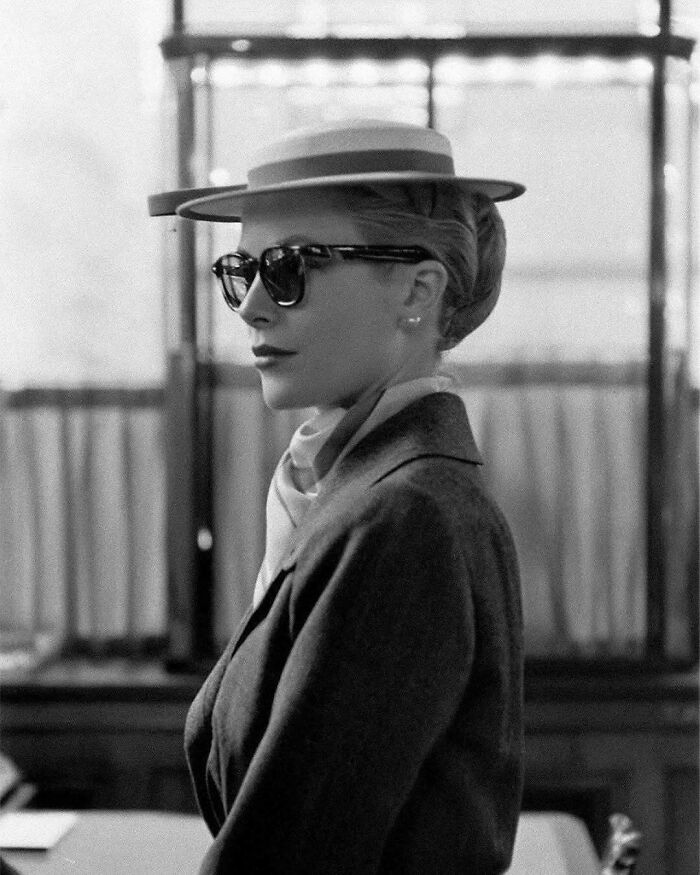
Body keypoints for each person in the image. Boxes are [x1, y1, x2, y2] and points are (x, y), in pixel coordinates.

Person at [149, 119, 525, 874]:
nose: (252, 305)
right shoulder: (348, 486)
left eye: (290, 268)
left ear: (419, 290)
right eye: (240, 270)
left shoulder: (405, 516)